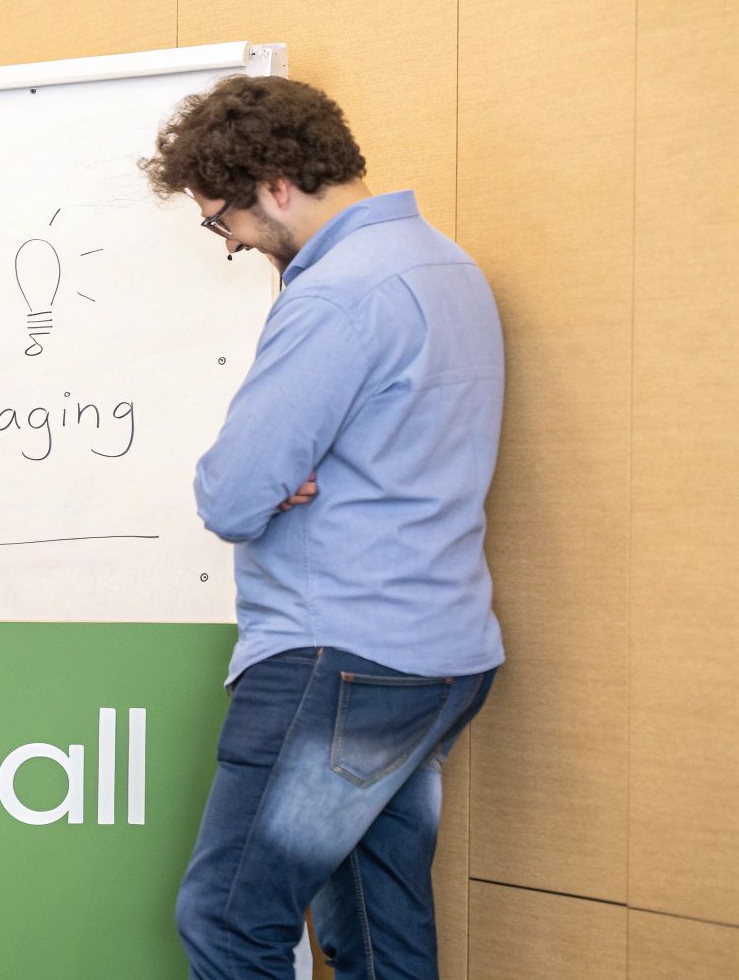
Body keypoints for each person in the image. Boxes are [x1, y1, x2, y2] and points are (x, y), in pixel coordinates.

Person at [141, 74, 505, 979]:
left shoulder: (335, 296)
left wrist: (267, 476)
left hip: (335, 661)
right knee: (376, 924)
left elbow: (231, 492)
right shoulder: (446, 266)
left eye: (221, 219)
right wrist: (281, 473)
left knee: (229, 919)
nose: (227, 242)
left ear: (273, 183)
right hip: (441, 653)